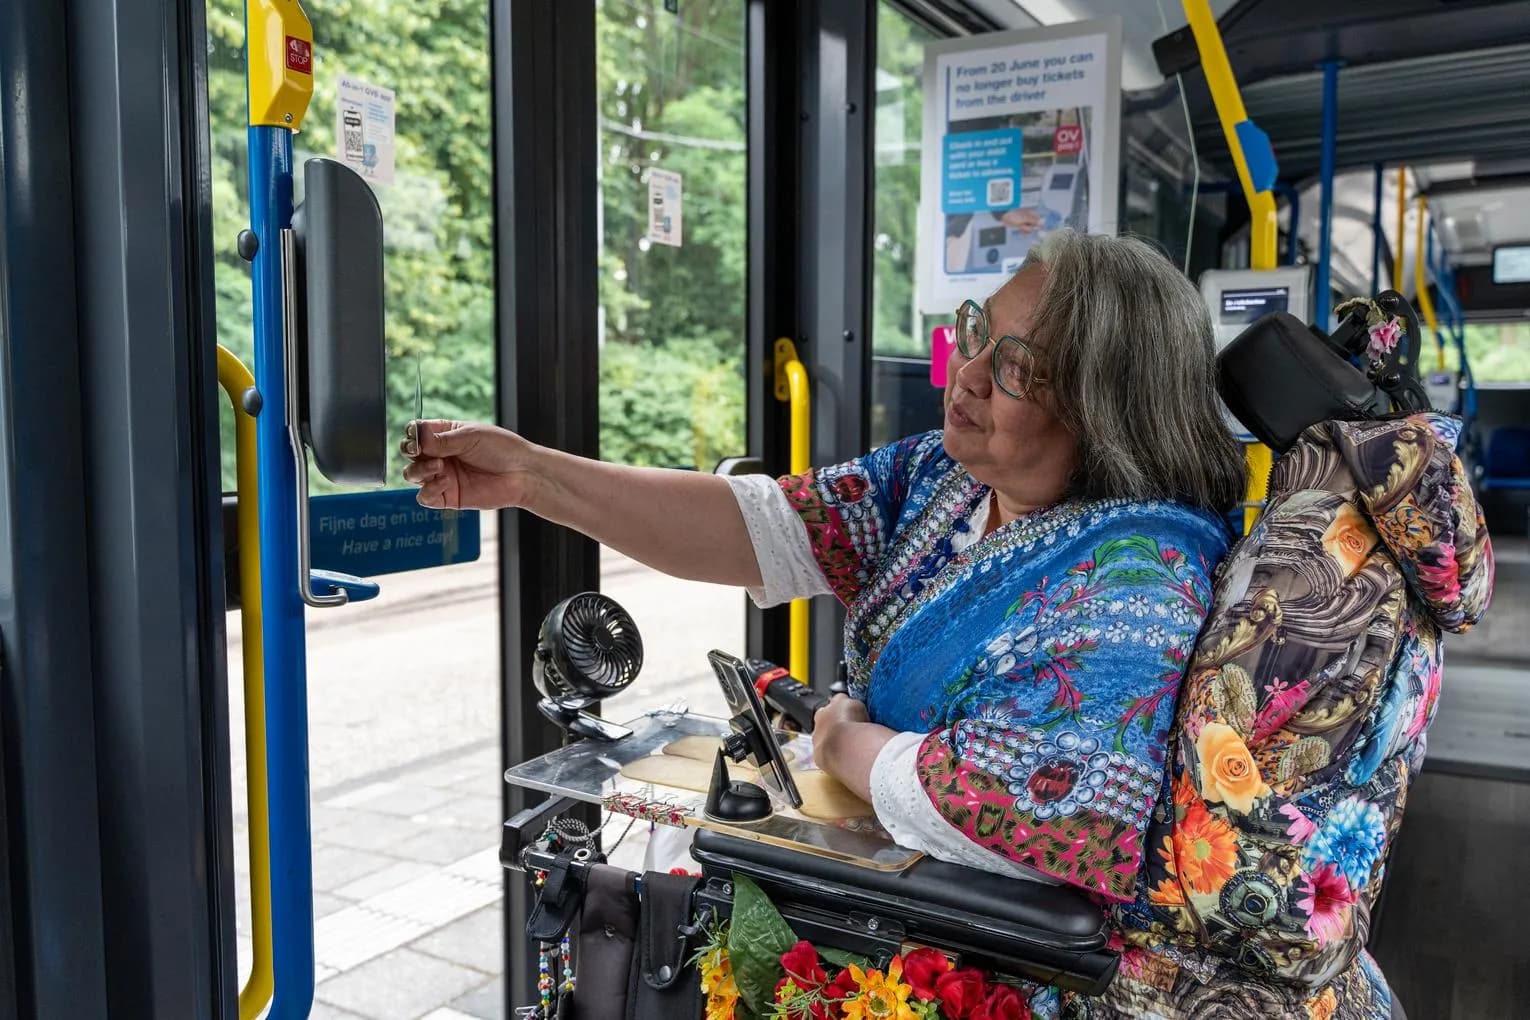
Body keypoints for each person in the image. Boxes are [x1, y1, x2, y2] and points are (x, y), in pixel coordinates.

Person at [403, 230, 1247, 1016]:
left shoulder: (1143, 571)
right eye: (974, 332)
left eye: (1019, 365)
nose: (970, 372)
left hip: (1008, 974)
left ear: (1107, 404)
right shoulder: (944, 479)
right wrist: (532, 478)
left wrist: (846, 744)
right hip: (892, 919)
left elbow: (1059, 819)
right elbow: (756, 526)